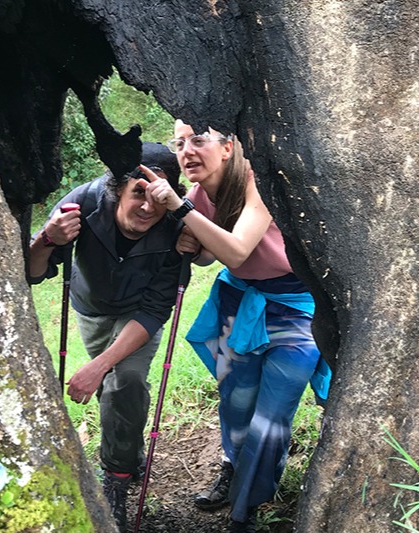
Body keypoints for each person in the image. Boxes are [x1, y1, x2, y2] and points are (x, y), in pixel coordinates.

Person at [141, 121, 331, 533]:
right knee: (237, 400)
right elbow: (213, 258)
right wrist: (190, 245)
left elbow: (241, 248)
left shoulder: (255, 182)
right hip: (239, 298)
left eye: (198, 140)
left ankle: (245, 508)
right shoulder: (198, 194)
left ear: (227, 147)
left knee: (273, 414)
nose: (186, 150)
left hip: (295, 305)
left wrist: (181, 211)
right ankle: (233, 467)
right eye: (179, 143)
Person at [28, 142, 186, 532]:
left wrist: (98, 365)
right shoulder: (82, 202)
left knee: (123, 379)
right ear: (117, 188)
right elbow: (32, 273)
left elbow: (155, 310)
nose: (149, 208)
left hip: (137, 315)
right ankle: (130, 451)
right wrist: (47, 239)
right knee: (113, 389)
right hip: (91, 308)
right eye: (139, 193)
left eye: (158, 198)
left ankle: (115, 477)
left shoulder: (175, 227)